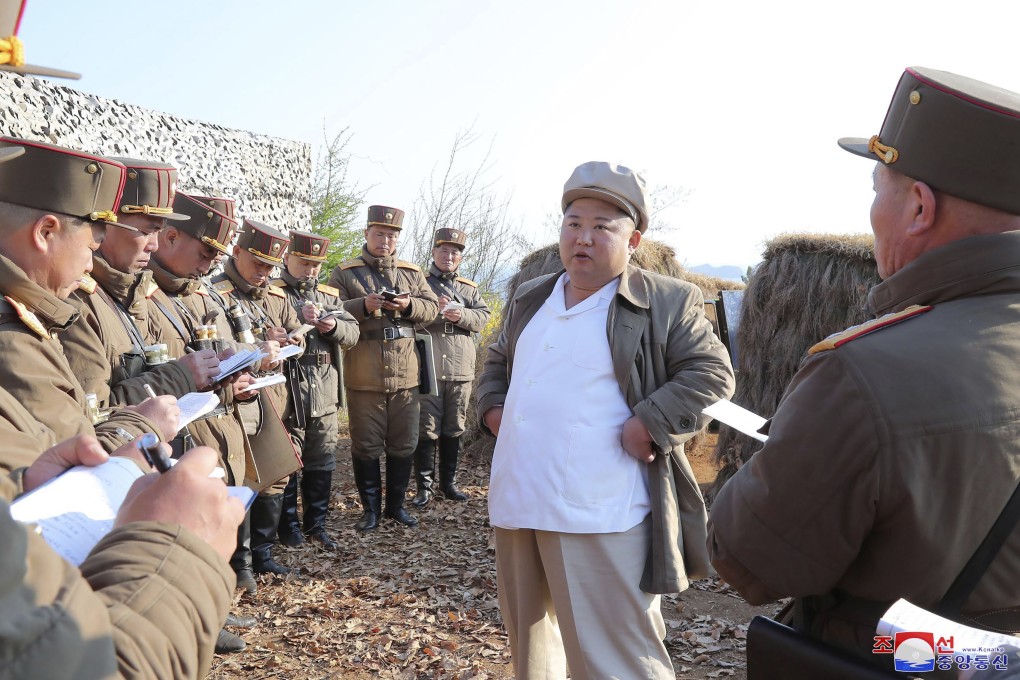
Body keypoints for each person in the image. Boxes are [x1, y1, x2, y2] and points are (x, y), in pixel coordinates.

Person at [708, 67, 1020, 662]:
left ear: (920, 208)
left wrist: (785, 457)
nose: (872, 212)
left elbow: (748, 560)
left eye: (879, 189)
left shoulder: (863, 374)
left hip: (899, 659)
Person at [476, 161, 735, 680]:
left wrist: (651, 421)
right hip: (519, 498)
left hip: (598, 510)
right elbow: (497, 359)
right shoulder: (532, 297)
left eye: (602, 226)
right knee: (532, 652)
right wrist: (492, 408)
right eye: (573, 223)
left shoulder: (664, 300)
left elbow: (712, 374)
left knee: (615, 659)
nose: (584, 238)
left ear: (633, 238)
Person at [0, 137, 179, 463]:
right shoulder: (11, 336)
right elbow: (75, 464)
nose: (88, 266)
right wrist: (144, 423)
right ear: (45, 233)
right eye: (91, 249)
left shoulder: (31, 316)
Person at [144, 191, 258, 650]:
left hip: (207, 430)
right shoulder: (145, 297)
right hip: (169, 437)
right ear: (170, 236)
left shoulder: (190, 293)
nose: (211, 264)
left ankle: (210, 613)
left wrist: (233, 375)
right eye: (206, 252)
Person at [61, 157, 223, 411]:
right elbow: (94, 414)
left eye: (158, 232)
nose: (154, 245)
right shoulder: (77, 301)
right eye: (148, 231)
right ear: (107, 223)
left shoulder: (134, 292)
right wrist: (181, 377)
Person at [328, 205, 440, 531]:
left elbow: (431, 309)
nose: (385, 240)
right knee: (366, 446)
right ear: (366, 234)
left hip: (406, 375)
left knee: (404, 443)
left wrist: (408, 305)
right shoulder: (346, 272)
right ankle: (370, 511)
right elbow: (331, 310)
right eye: (379, 234)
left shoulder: (412, 272)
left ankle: (396, 507)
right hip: (365, 376)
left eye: (392, 235)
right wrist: (363, 305)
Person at [212, 219, 302, 576]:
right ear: (236, 253)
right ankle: (241, 563)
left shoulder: (275, 297)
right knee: (242, 474)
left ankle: (263, 555)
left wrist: (292, 338)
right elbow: (218, 345)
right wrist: (257, 348)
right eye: (258, 263)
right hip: (239, 397)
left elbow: (299, 334)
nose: (264, 273)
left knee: (276, 473)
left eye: (270, 266)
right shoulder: (216, 294)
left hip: (275, 395)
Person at [273, 230, 360, 550]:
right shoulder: (273, 292)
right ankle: (289, 525)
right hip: (287, 387)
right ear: (288, 258)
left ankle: (317, 524)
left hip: (323, 387)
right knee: (288, 459)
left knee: (321, 458)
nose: (310, 269)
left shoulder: (330, 296)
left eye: (316, 264)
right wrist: (297, 319)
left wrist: (332, 326)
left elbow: (353, 333)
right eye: (304, 262)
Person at [411, 227, 490, 507]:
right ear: (434, 252)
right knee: (426, 427)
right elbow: (408, 313)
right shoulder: (420, 283)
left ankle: (449, 484)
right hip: (428, 365)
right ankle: (424, 487)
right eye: (444, 250)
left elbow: (483, 318)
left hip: (460, 369)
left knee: (454, 427)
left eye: (455, 252)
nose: (449, 256)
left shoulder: (468, 288)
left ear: (460, 258)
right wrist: (435, 309)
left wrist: (461, 313)